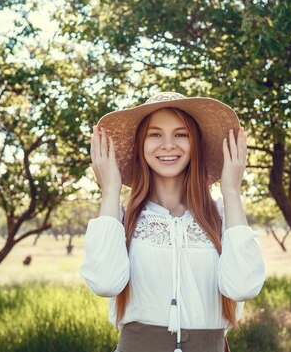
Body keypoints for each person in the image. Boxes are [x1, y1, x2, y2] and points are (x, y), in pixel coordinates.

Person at [80, 92, 266, 352]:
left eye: (181, 134)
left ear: (195, 144)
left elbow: (243, 287)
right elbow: (105, 283)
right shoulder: (121, 220)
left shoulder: (223, 218)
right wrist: (110, 189)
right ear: (141, 145)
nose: (168, 144)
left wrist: (231, 191)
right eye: (155, 134)